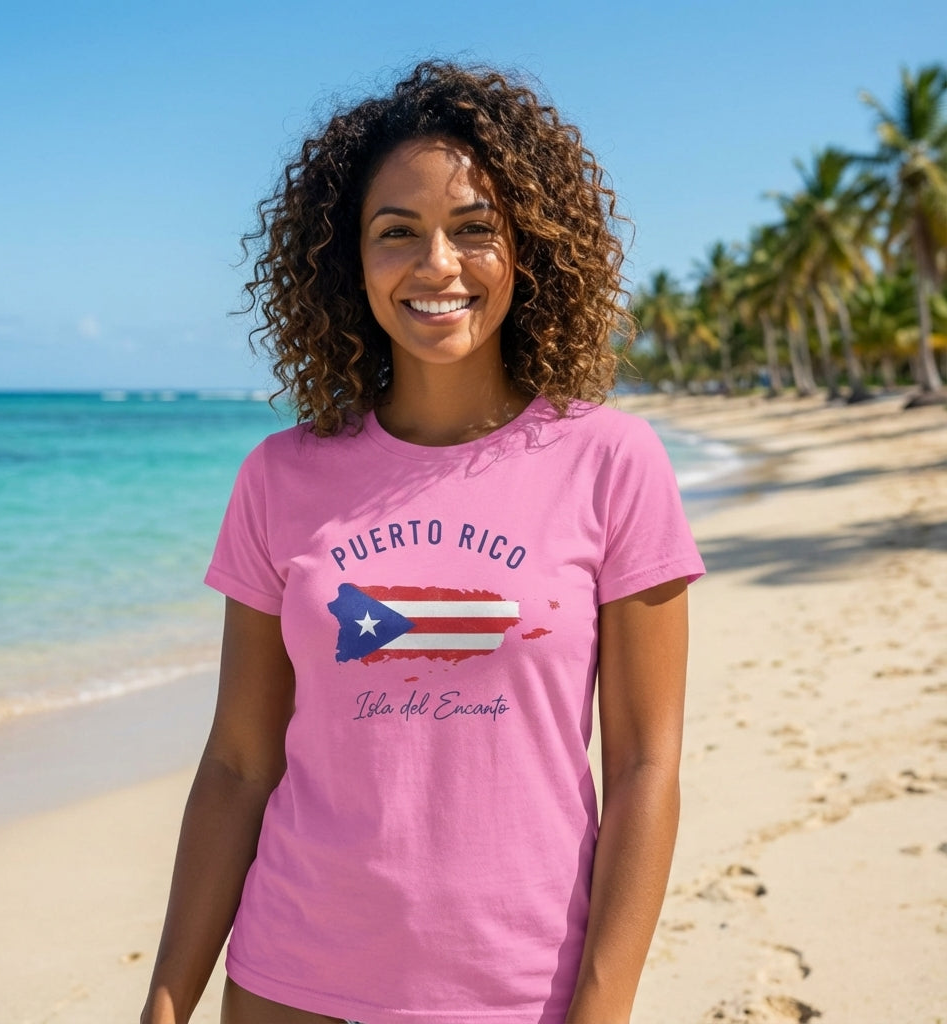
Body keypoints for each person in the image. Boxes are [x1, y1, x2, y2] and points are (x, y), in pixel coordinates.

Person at [141, 60, 704, 1024]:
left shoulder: (612, 461)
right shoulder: (280, 477)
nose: (437, 264)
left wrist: (601, 1009)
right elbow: (239, 763)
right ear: (348, 263)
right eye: (396, 232)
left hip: (519, 990)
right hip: (290, 980)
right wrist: (165, 1003)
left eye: (475, 228)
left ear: (529, 250)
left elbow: (647, 766)